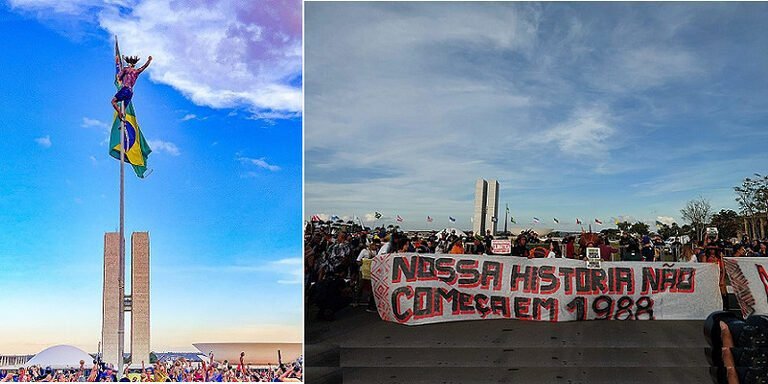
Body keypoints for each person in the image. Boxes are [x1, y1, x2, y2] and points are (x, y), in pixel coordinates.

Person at [111, 55, 153, 121]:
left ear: (129, 64)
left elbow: (119, 76)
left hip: (125, 89)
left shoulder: (126, 69)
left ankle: (119, 113)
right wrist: (149, 60)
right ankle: (123, 121)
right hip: (130, 92)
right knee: (123, 108)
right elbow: (144, 67)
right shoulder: (136, 72)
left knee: (113, 101)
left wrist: (118, 65)